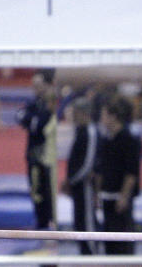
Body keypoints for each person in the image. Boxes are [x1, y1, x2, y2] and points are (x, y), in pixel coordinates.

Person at [95, 97, 141, 255]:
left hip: (120, 198)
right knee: (109, 243)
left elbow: (131, 172)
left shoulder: (129, 139)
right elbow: (101, 169)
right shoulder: (105, 139)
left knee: (123, 242)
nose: (101, 119)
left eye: (103, 115)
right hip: (107, 195)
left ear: (113, 116)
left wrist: (124, 196)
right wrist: (97, 193)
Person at [62, 97, 99, 255]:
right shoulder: (81, 130)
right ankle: (84, 255)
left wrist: (71, 180)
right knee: (79, 222)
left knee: (87, 222)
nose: (73, 117)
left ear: (84, 113)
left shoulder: (90, 131)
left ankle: (92, 256)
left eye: (75, 113)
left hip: (85, 185)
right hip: (77, 184)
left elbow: (88, 162)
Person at [18, 87, 58, 230]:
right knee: (36, 192)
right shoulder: (37, 109)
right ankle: (42, 222)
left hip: (45, 161)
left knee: (46, 193)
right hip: (36, 158)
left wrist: (31, 120)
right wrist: (32, 120)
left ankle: (48, 221)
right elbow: (20, 117)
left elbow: (37, 125)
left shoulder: (48, 116)